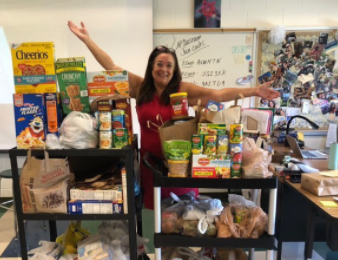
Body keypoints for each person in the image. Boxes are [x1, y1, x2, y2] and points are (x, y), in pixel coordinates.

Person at [68, 21, 280, 210]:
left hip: (180, 165)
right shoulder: (140, 88)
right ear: (152, 66)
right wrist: (88, 40)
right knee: (157, 222)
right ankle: (159, 255)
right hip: (150, 165)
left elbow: (216, 94)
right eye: (159, 64)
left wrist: (254, 91)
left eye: (169, 65)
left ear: (175, 69)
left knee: (183, 218)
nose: (164, 69)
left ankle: (181, 255)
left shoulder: (182, 90)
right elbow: (111, 66)